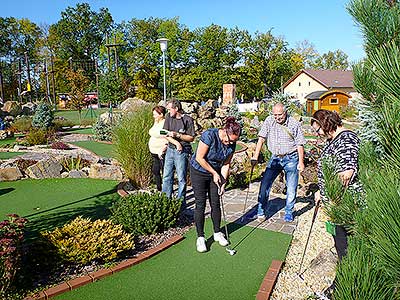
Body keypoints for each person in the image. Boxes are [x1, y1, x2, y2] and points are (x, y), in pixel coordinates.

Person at [311, 109, 361, 261]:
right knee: (340, 243)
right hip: (337, 202)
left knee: (345, 245)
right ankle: (344, 277)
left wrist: (331, 196)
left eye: (317, 129)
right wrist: (321, 191)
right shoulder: (334, 139)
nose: (317, 133)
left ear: (326, 124)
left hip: (345, 202)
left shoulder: (346, 139)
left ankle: (345, 280)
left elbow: (346, 174)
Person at [190, 117, 241, 252]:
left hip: (216, 173)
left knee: (215, 202)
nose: (230, 144)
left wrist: (223, 182)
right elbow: (199, 158)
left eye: (233, 142)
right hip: (199, 171)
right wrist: (214, 173)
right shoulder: (209, 135)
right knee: (200, 203)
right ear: (224, 131)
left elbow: (226, 164)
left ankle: (217, 233)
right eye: (229, 140)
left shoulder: (232, 143)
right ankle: (200, 237)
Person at [251, 103, 306, 222]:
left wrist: (301, 162)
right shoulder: (269, 120)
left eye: (279, 115)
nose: (277, 117)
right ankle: (261, 210)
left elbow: (299, 143)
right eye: (275, 115)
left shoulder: (293, 123)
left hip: (291, 158)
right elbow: (261, 138)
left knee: (291, 187)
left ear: (285, 112)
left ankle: (289, 212)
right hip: (275, 158)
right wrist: (255, 156)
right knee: (265, 184)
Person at [162, 99, 195, 206]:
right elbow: (164, 133)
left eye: (169, 109)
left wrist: (178, 135)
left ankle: (180, 203)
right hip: (171, 150)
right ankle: (165, 200)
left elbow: (191, 138)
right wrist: (176, 143)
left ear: (176, 109)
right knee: (167, 176)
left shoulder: (187, 120)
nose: (168, 111)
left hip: (182, 152)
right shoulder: (168, 117)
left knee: (181, 178)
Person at [148, 105, 168, 191]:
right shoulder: (156, 122)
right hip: (154, 151)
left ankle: (166, 189)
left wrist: (164, 148)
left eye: (155, 114)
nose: (153, 116)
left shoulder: (165, 123)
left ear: (161, 114)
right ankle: (159, 188)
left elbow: (167, 136)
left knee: (164, 171)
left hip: (161, 151)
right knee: (155, 170)